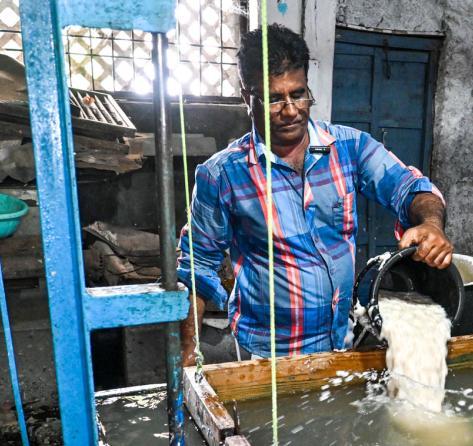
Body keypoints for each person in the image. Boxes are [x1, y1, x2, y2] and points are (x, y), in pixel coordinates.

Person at [178, 24, 453, 363]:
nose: (291, 110)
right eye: (274, 99)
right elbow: (197, 267)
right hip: (267, 354)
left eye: (298, 94)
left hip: (340, 341)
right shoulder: (222, 175)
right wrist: (188, 354)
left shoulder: (350, 148)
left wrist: (430, 223)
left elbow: (411, 188)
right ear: (246, 97)